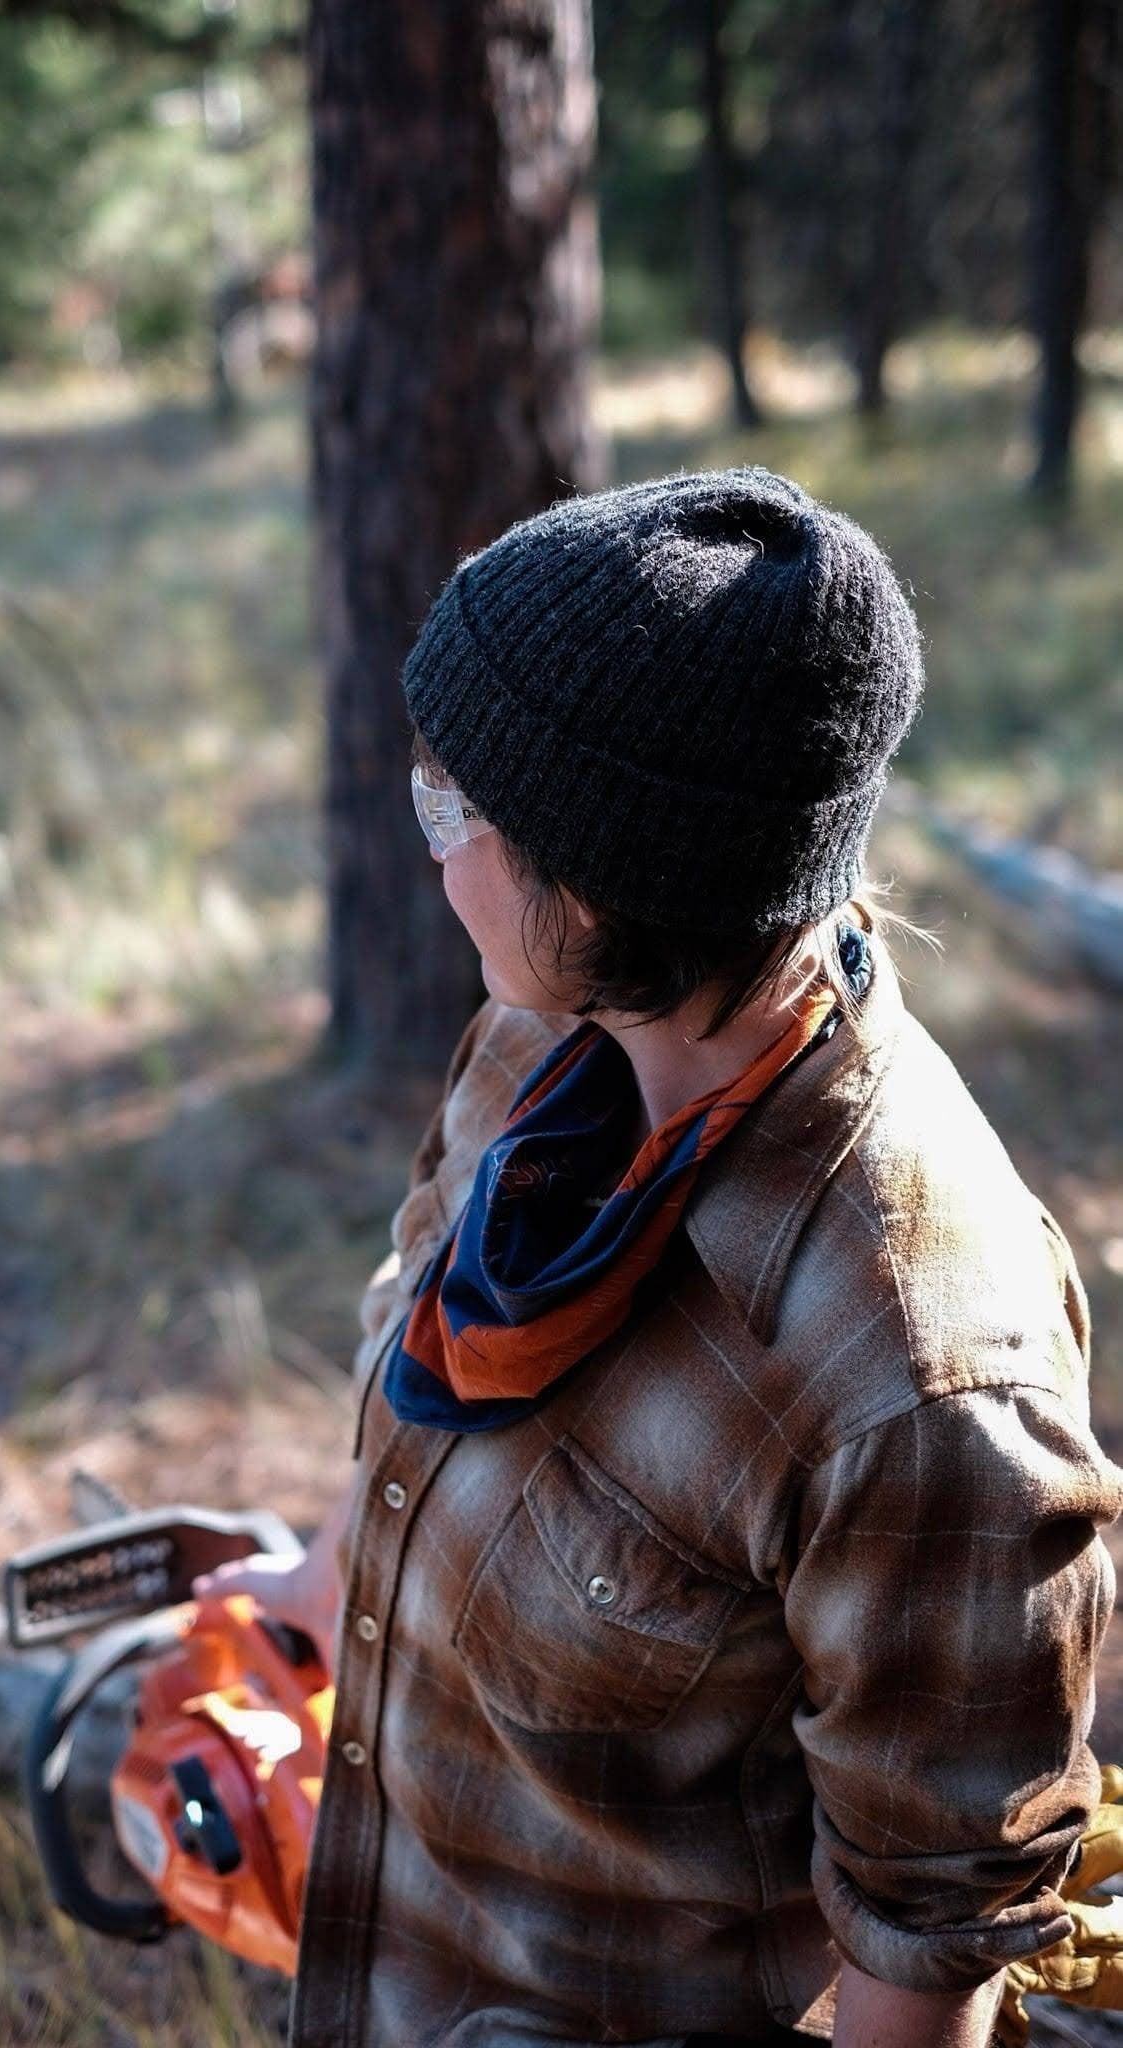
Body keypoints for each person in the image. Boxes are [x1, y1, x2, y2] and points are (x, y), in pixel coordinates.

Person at [197, 467, 1123, 2048]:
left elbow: (927, 1951)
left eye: (460, 813)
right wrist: (335, 1572)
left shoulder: (920, 1385)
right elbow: (432, 1319)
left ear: (617, 880)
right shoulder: (541, 1038)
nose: (430, 855)